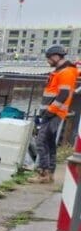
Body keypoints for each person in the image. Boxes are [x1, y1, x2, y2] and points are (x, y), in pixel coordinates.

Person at [34, 44, 79, 184]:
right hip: (53, 113)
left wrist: (49, 111)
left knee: (41, 142)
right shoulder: (61, 71)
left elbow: (63, 95)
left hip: (54, 114)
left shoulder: (65, 72)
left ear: (55, 56)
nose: (48, 61)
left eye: (48, 58)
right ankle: (50, 173)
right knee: (49, 142)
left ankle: (43, 173)